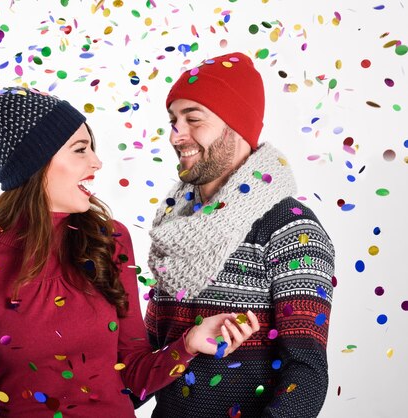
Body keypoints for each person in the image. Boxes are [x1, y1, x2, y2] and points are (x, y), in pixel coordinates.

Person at [0, 83, 260, 418]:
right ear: (36, 163)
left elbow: (134, 375)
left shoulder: (109, 240)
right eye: (80, 149)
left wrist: (189, 345)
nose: (97, 162)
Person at [141, 51, 335, 417]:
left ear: (236, 126)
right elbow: (150, 355)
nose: (175, 135)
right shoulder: (173, 228)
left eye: (192, 119)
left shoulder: (291, 228)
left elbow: (306, 374)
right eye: (173, 121)